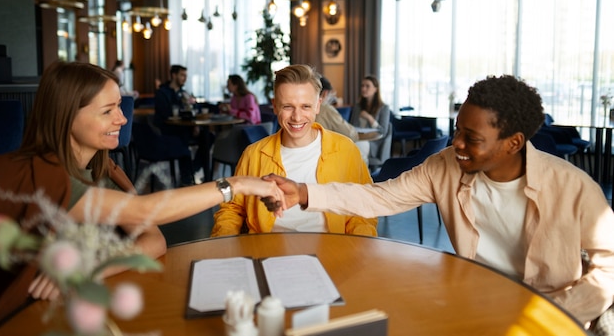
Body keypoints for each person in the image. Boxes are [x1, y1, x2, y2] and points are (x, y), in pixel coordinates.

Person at [260, 74, 614, 331]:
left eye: (471, 138)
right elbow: (378, 196)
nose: (455, 143)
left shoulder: (574, 189)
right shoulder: (445, 165)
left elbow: (609, 268)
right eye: (457, 129)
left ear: (513, 143)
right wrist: (305, 192)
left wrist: (554, 313)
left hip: (547, 315)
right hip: (475, 302)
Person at [0, 61, 282, 328]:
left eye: (119, 106)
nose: (122, 119)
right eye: (107, 111)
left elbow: (154, 239)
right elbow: (144, 211)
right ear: (66, 116)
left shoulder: (101, 169)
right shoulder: (44, 174)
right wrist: (236, 185)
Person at [210, 64, 377, 237]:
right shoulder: (253, 154)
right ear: (275, 106)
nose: (297, 117)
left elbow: (363, 208)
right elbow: (232, 210)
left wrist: (357, 249)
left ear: (318, 105)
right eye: (287, 107)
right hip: (266, 252)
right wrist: (225, 247)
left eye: (306, 106)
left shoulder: (346, 150)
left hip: (331, 253)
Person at [154, 64, 207, 185]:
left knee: (208, 136)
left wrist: (195, 125)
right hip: (168, 131)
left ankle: (194, 169)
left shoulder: (185, 93)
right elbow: (166, 114)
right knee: (182, 139)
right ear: (173, 75)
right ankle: (186, 179)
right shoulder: (162, 93)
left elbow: (193, 111)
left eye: (186, 76)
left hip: (186, 129)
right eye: (182, 75)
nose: (185, 78)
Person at [315, 76, 370, 164]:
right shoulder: (326, 108)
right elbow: (349, 133)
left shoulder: (306, 108)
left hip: (314, 150)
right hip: (325, 153)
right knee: (363, 146)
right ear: (325, 93)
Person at [350, 75, 391, 168]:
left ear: (375, 89)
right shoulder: (358, 107)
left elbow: (383, 131)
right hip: (357, 138)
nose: (364, 88)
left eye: (367, 86)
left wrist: (369, 118)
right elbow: (351, 127)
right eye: (362, 86)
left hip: (374, 143)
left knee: (359, 146)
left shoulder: (384, 108)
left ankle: (362, 177)